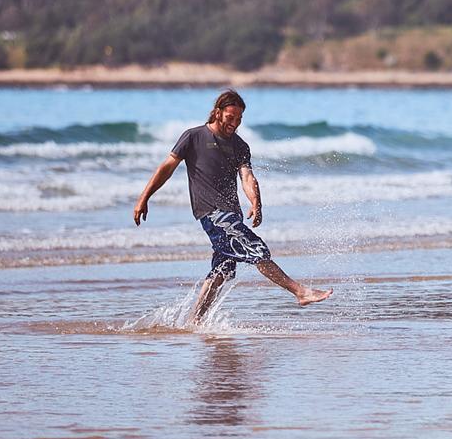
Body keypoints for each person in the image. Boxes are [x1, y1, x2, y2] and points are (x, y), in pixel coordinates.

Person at [133, 89, 332, 322]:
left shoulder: (240, 146)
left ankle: (194, 322)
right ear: (218, 113)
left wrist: (256, 202)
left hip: (231, 215)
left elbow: (247, 177)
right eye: (230, 117)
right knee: (256, 249)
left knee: (222, 271)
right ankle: (300, 292)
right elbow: (166, 168)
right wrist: (143, 198)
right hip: (212, 214)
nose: (234, 123)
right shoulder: (193, 137)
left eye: (239, 119)